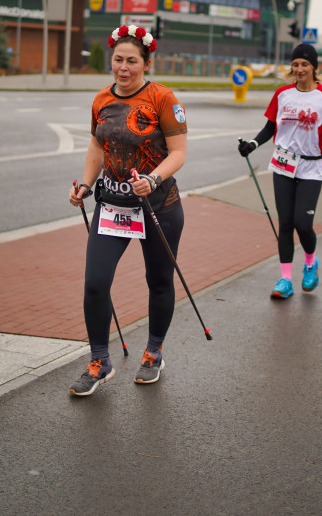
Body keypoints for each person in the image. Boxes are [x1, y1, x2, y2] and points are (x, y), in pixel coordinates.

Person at [66, 25, 187, 396]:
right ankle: (100, 361)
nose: (123, 67)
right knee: (95, 283)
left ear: (146, 63)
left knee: (159, 282)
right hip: (113, 206)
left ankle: (153, 352)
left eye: (131, 61)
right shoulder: (102, 99)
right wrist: (86, 183)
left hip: (158, 205)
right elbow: (96, 145)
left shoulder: (163, 99)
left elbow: (179, 153)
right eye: (118, 60)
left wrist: (153, 179)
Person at [237, 43, 322, 299]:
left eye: (304, 64)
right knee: (285, 223)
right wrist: (252, 144)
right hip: (283, 163)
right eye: (295, 64)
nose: (299, 69)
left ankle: (310, 263)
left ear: (314, 67)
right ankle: (285, 280)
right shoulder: (282, 94)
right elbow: (269, 128)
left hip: (311, 166)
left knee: (303, 223)